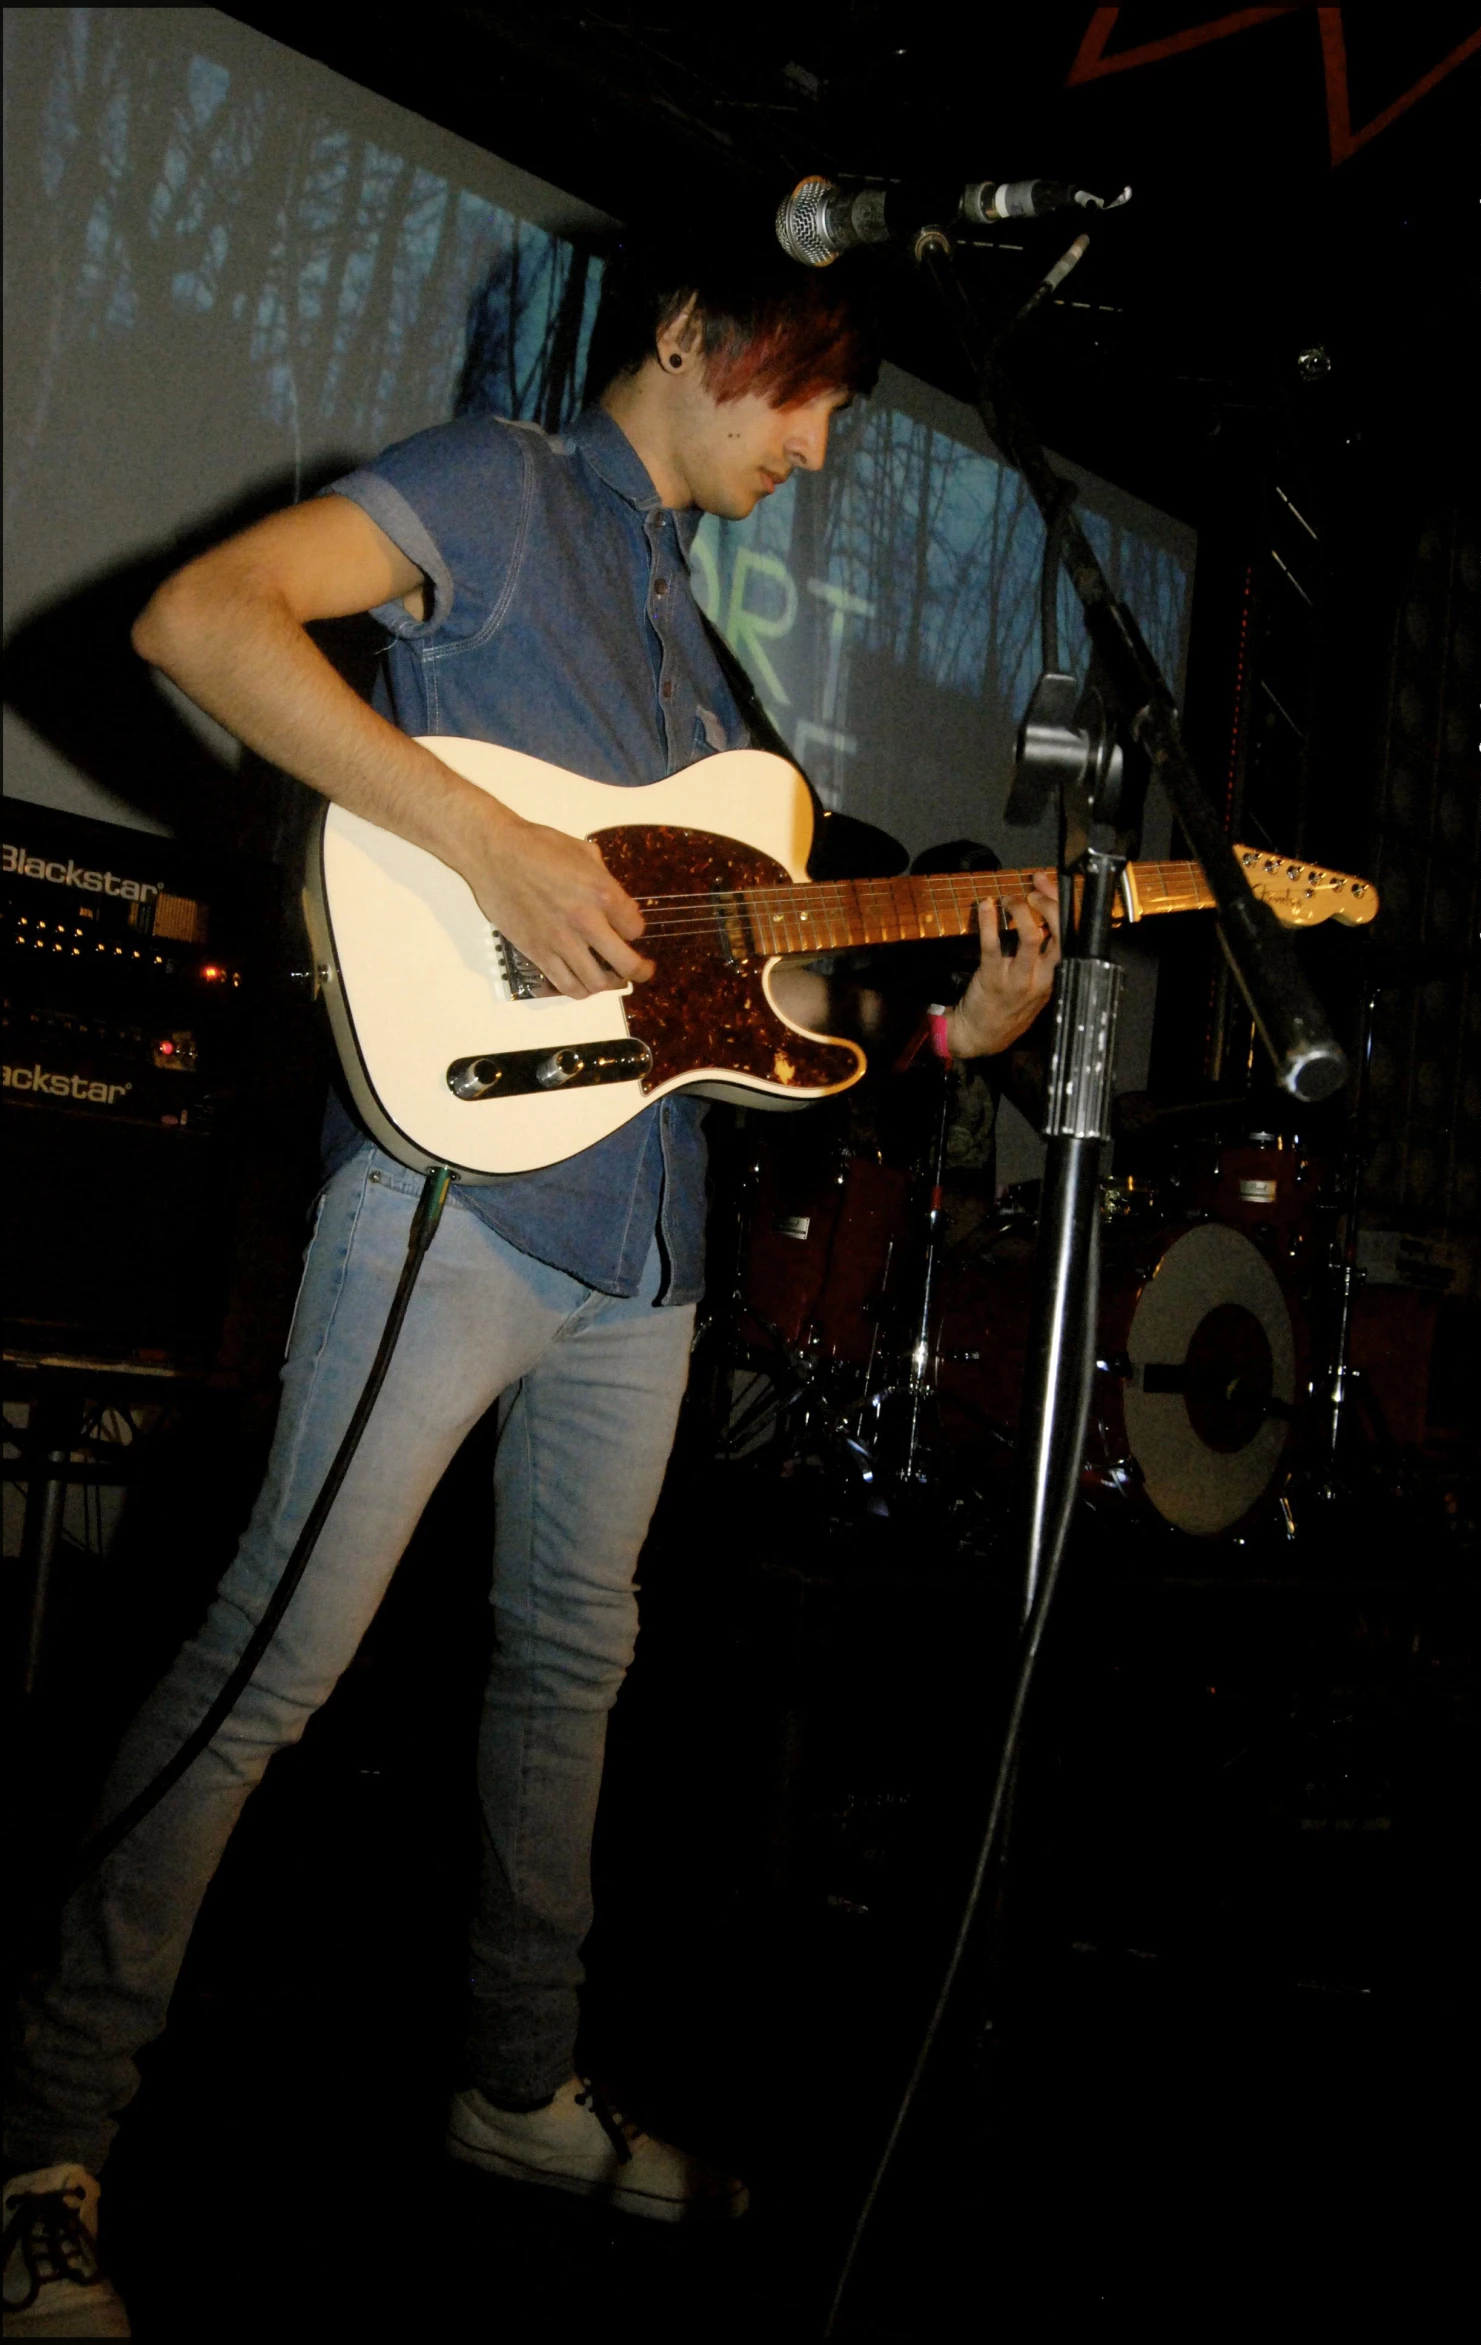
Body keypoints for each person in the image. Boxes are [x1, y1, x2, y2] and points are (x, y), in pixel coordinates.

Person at [3, 229, 1060, 2339]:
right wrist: (480, 848)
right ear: (691, 336)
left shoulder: (704, 658)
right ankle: (42, 2134)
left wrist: (959, 1026)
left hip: (639, 1249)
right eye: (809, 390)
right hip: (450, 1205)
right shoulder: (494, 491)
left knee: (566, 1670)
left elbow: (749, 1004)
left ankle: (509, 2081)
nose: (823, 444)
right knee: (271, 1657)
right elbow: (197, 619)